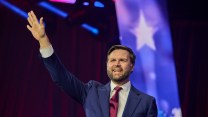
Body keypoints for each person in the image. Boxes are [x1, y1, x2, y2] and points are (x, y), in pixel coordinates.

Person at [26, 10, 158, 117]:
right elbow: (61, 77)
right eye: (112, 60)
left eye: (122, 60)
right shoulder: (91, 92)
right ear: (107, 65)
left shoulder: (147, 102)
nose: (117, 64)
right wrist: (43, 41)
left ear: (132, 66)